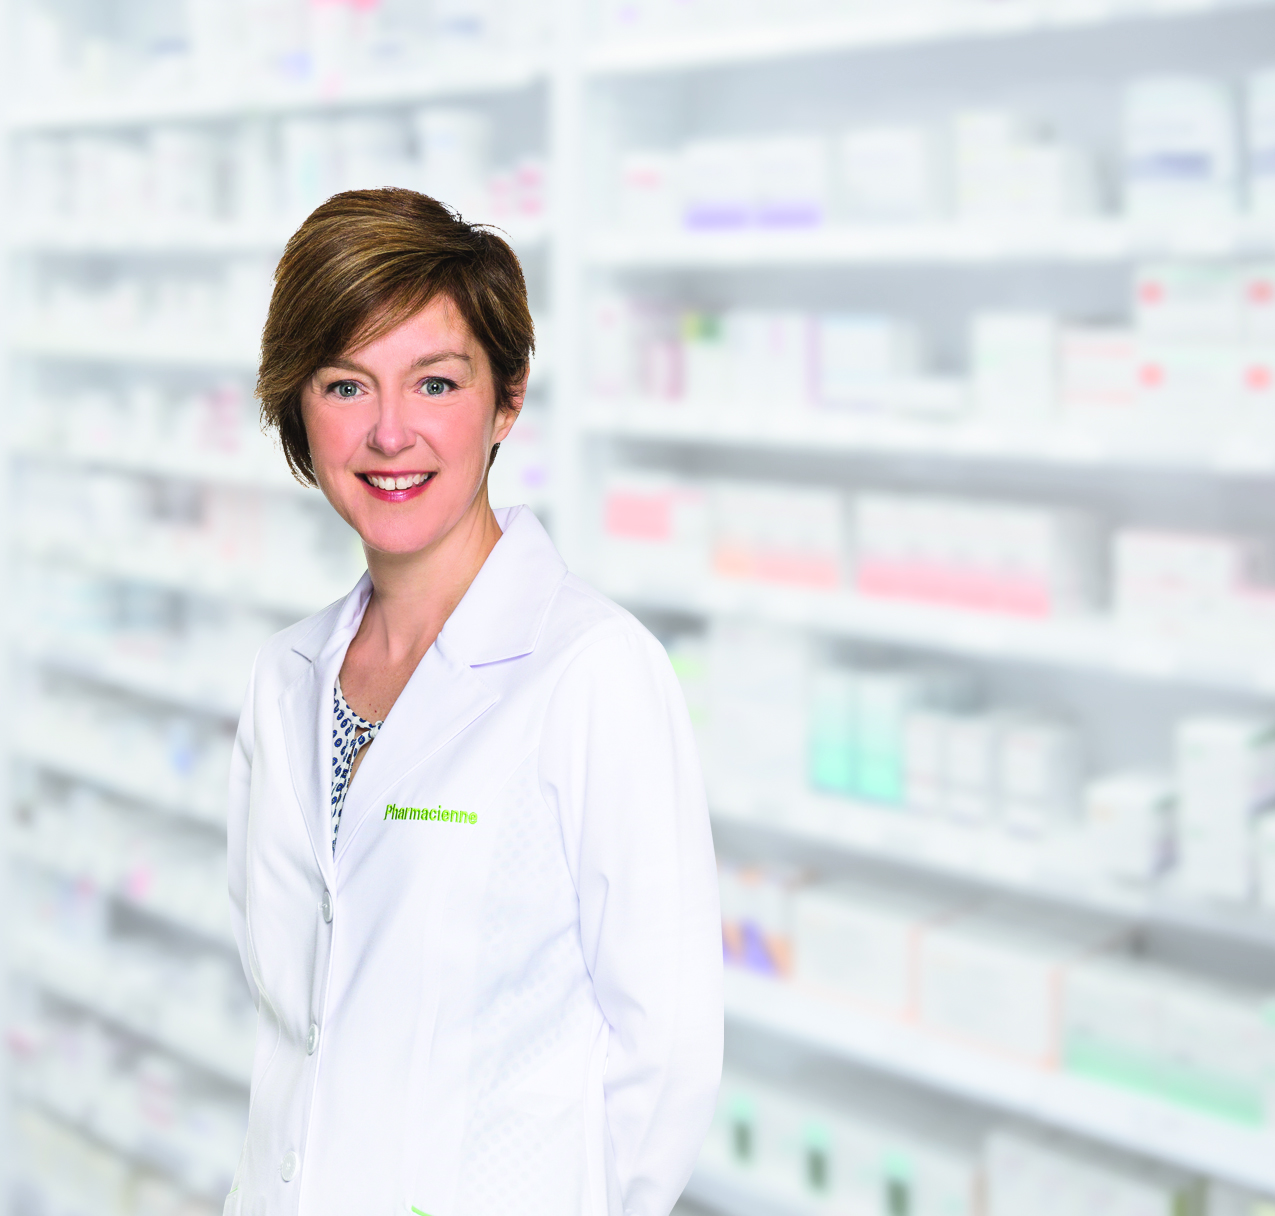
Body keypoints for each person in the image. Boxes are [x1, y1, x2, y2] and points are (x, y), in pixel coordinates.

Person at [223, 187, 723, 1216]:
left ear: (506, 401)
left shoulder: (592, 673)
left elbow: (665, 1061)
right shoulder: (285, 681)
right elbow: (295, 1032)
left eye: (436, 382)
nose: (390, 431)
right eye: (345, 384)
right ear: (297, 409)